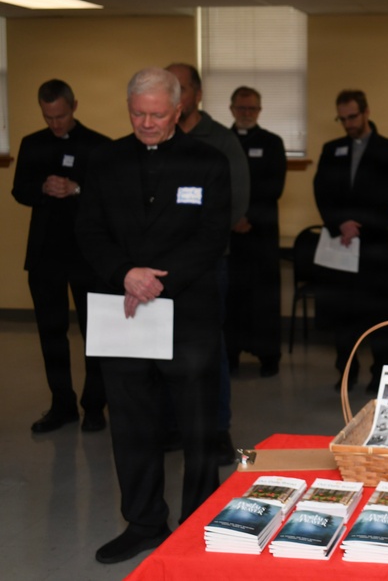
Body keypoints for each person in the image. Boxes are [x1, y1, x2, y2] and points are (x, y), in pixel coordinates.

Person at [76, 67, 231, 564]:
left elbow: (212, 236)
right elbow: (88, 231)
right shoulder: (103, 161)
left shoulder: (208, 160)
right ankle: (143, 523)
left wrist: (154, 281)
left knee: (198, 426)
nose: (146, 123)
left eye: (156, 114)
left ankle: (199, 524)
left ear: (178, 110)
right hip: (123, 310)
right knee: (131, 423)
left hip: (186, 313)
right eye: (137, 114)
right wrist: (126, 273)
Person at [12, 79, 110, 433]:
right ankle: (62, 404)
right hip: (45, 255)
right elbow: (18, 189)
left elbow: (111, 196)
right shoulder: (32, 144)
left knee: (95, 333)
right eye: (48, 117)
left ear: (74, 106)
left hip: (88, 255)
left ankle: (95, 406)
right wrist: (41, 188)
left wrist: (76, 189)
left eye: (61, 116)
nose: (55, 124)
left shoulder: (99, 147)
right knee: (51, 333)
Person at [166, 63, 250, 466]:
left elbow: (235, 204)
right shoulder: (157, 137)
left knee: (208, 347)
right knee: (164, 347)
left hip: (205, 264)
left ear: (196, 94)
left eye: (178, 88)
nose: (172, 95)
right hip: (159, 268)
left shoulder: (220, 141)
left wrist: (191, 247)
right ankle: (174, 425)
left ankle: (217, 428)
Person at [313, 89, 388, 392]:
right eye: (342, 118)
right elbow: (321, 191)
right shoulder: (332, 149)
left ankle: (380, 373)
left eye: (352, 117)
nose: (348, 123)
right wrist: (339, 223)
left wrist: (361, 225)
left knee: (379, 312)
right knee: (343, 312)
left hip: (376, 244)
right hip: (342, 243)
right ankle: (346, 371)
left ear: (366, 112)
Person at [226, 86, 287, 378]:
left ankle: (268, 356)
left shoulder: (272, 142)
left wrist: (246, 216)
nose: (246, 114)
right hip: (228, 236)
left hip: (261, 232)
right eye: (241, 108)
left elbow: (273, 187)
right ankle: (229, 354)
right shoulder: (222, 142)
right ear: (231, 109)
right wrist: (233, 218)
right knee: (231, 297)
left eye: (252, 109)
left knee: (263, 297)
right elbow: (218, 185)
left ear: (259, 111)